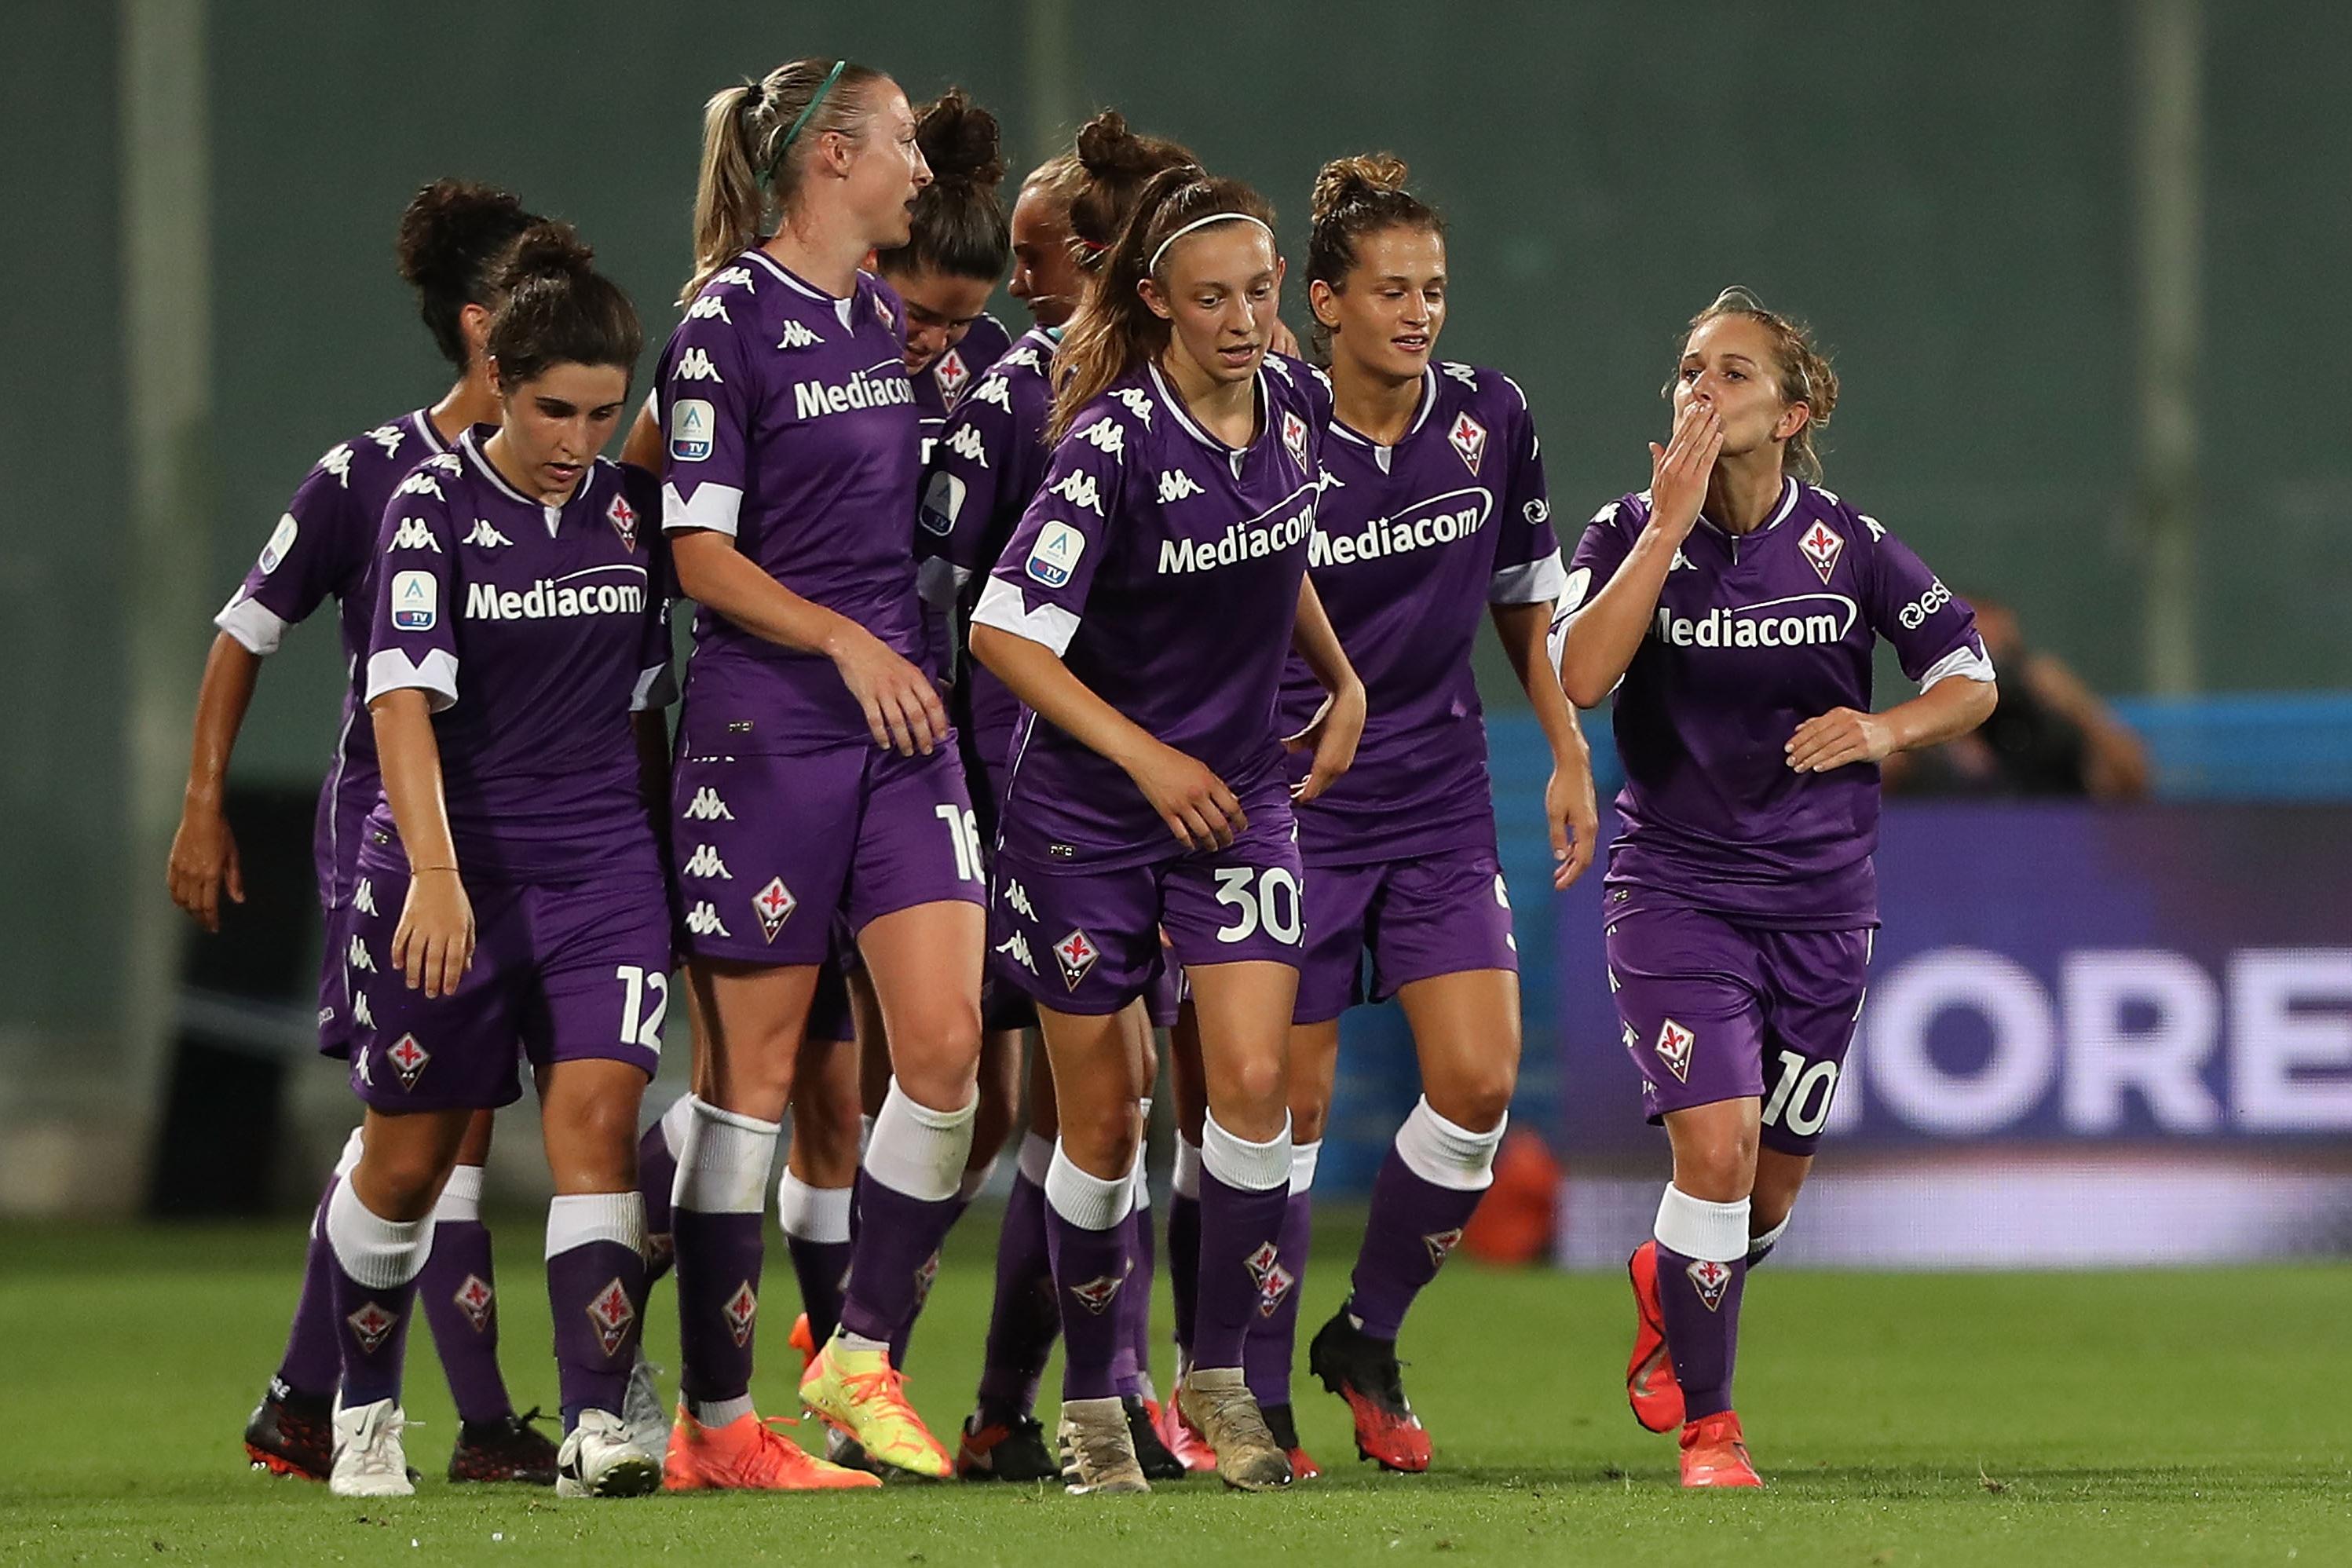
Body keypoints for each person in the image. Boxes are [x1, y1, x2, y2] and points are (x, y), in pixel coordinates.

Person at [1551, 287, 1998, 1488]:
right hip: (1673, 891)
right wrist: (1663, 529)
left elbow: (1969, 674)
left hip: (1818, 903)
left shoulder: (1846, 546)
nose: (1701, 389)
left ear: (1791, 411)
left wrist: (1883, 727)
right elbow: (1580, 676)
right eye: (1689, 369)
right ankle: (1711, 1427)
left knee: (1763, 1198)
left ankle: (1667, 1279)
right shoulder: (1621, 528)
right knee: (1715, 1152)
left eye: (1733, 373)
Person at [968, 163, 1366, 1494]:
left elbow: (1276, 548)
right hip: (1086, 812)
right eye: (1216, 298)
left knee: (1251, 1089)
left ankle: (1222, 1380)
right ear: (1156, 303)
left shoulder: (1297, 408)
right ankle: (1094, 1402)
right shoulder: (1111, 443)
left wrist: (1343, 671)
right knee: (1108, 1112)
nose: (1249, 318)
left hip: (1241, 796)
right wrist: (1145, 761)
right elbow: (1005, 631)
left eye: (1260, 290)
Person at [173, 179, 558, 1487]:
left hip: (522, 843)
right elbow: (243, 631)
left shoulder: (571, 475)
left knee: (439, 1125)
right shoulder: (371, 474)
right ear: (476, 326)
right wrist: (202, 804)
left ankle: (305, 1391)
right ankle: (474, 1416)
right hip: (394, 849)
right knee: (425, 1121)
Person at [651, 57, 985, 1489]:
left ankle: (857, 1352)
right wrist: (849, 642)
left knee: (950, 1046)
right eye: (904, 144)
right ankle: (715, 1424)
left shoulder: (871, 310)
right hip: (767, 729)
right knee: (757, 1083)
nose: (923, 168)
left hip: (899, 727)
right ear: (833, 157)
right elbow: (699, 553)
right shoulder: (726, 320)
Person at [324, 223, 688, 1500]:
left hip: (600, 875)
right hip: (454, 879)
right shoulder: (429, 506)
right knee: (411, 1163)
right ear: (500, 383)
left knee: (596, 1123)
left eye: (601, 412)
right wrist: (430, 873)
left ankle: (597, 1425)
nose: (577, 440)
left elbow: (651, 699)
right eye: (552, 410)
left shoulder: (634, 518)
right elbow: (400, 702)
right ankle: (364, 1408)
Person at [1259, 155, 1598, 1477]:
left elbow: (1527, 592)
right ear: (1324, 300)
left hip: (1439, 792)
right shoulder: (1264, 421)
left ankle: (1366, 1332)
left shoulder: (1488, 416)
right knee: (1275, 1111)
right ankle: (1241, 1385)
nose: (1419, 312)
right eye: (1390, 290)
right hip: (1291, 799)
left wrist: (1566, 742)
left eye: (1436, 288)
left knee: (1476, 1081)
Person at [915, 110, 1198, 1484]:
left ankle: (1014, 1405)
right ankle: (835, 1355)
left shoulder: (1213, 394)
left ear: (1097, 256)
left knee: (1087, 1114)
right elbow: (938, 584)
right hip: (1024, 787)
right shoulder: (1016, 392)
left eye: (1036, 257)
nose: (1022, 281)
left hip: (1166, 799)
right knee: (981, 1104)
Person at [1882, 593, 2151, 799]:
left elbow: (2131, 783)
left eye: (2002, 657)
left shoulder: (2049, 736)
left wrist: (2078, 705)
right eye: (1972, 657)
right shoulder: (1922, 751)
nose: (1990, 674)